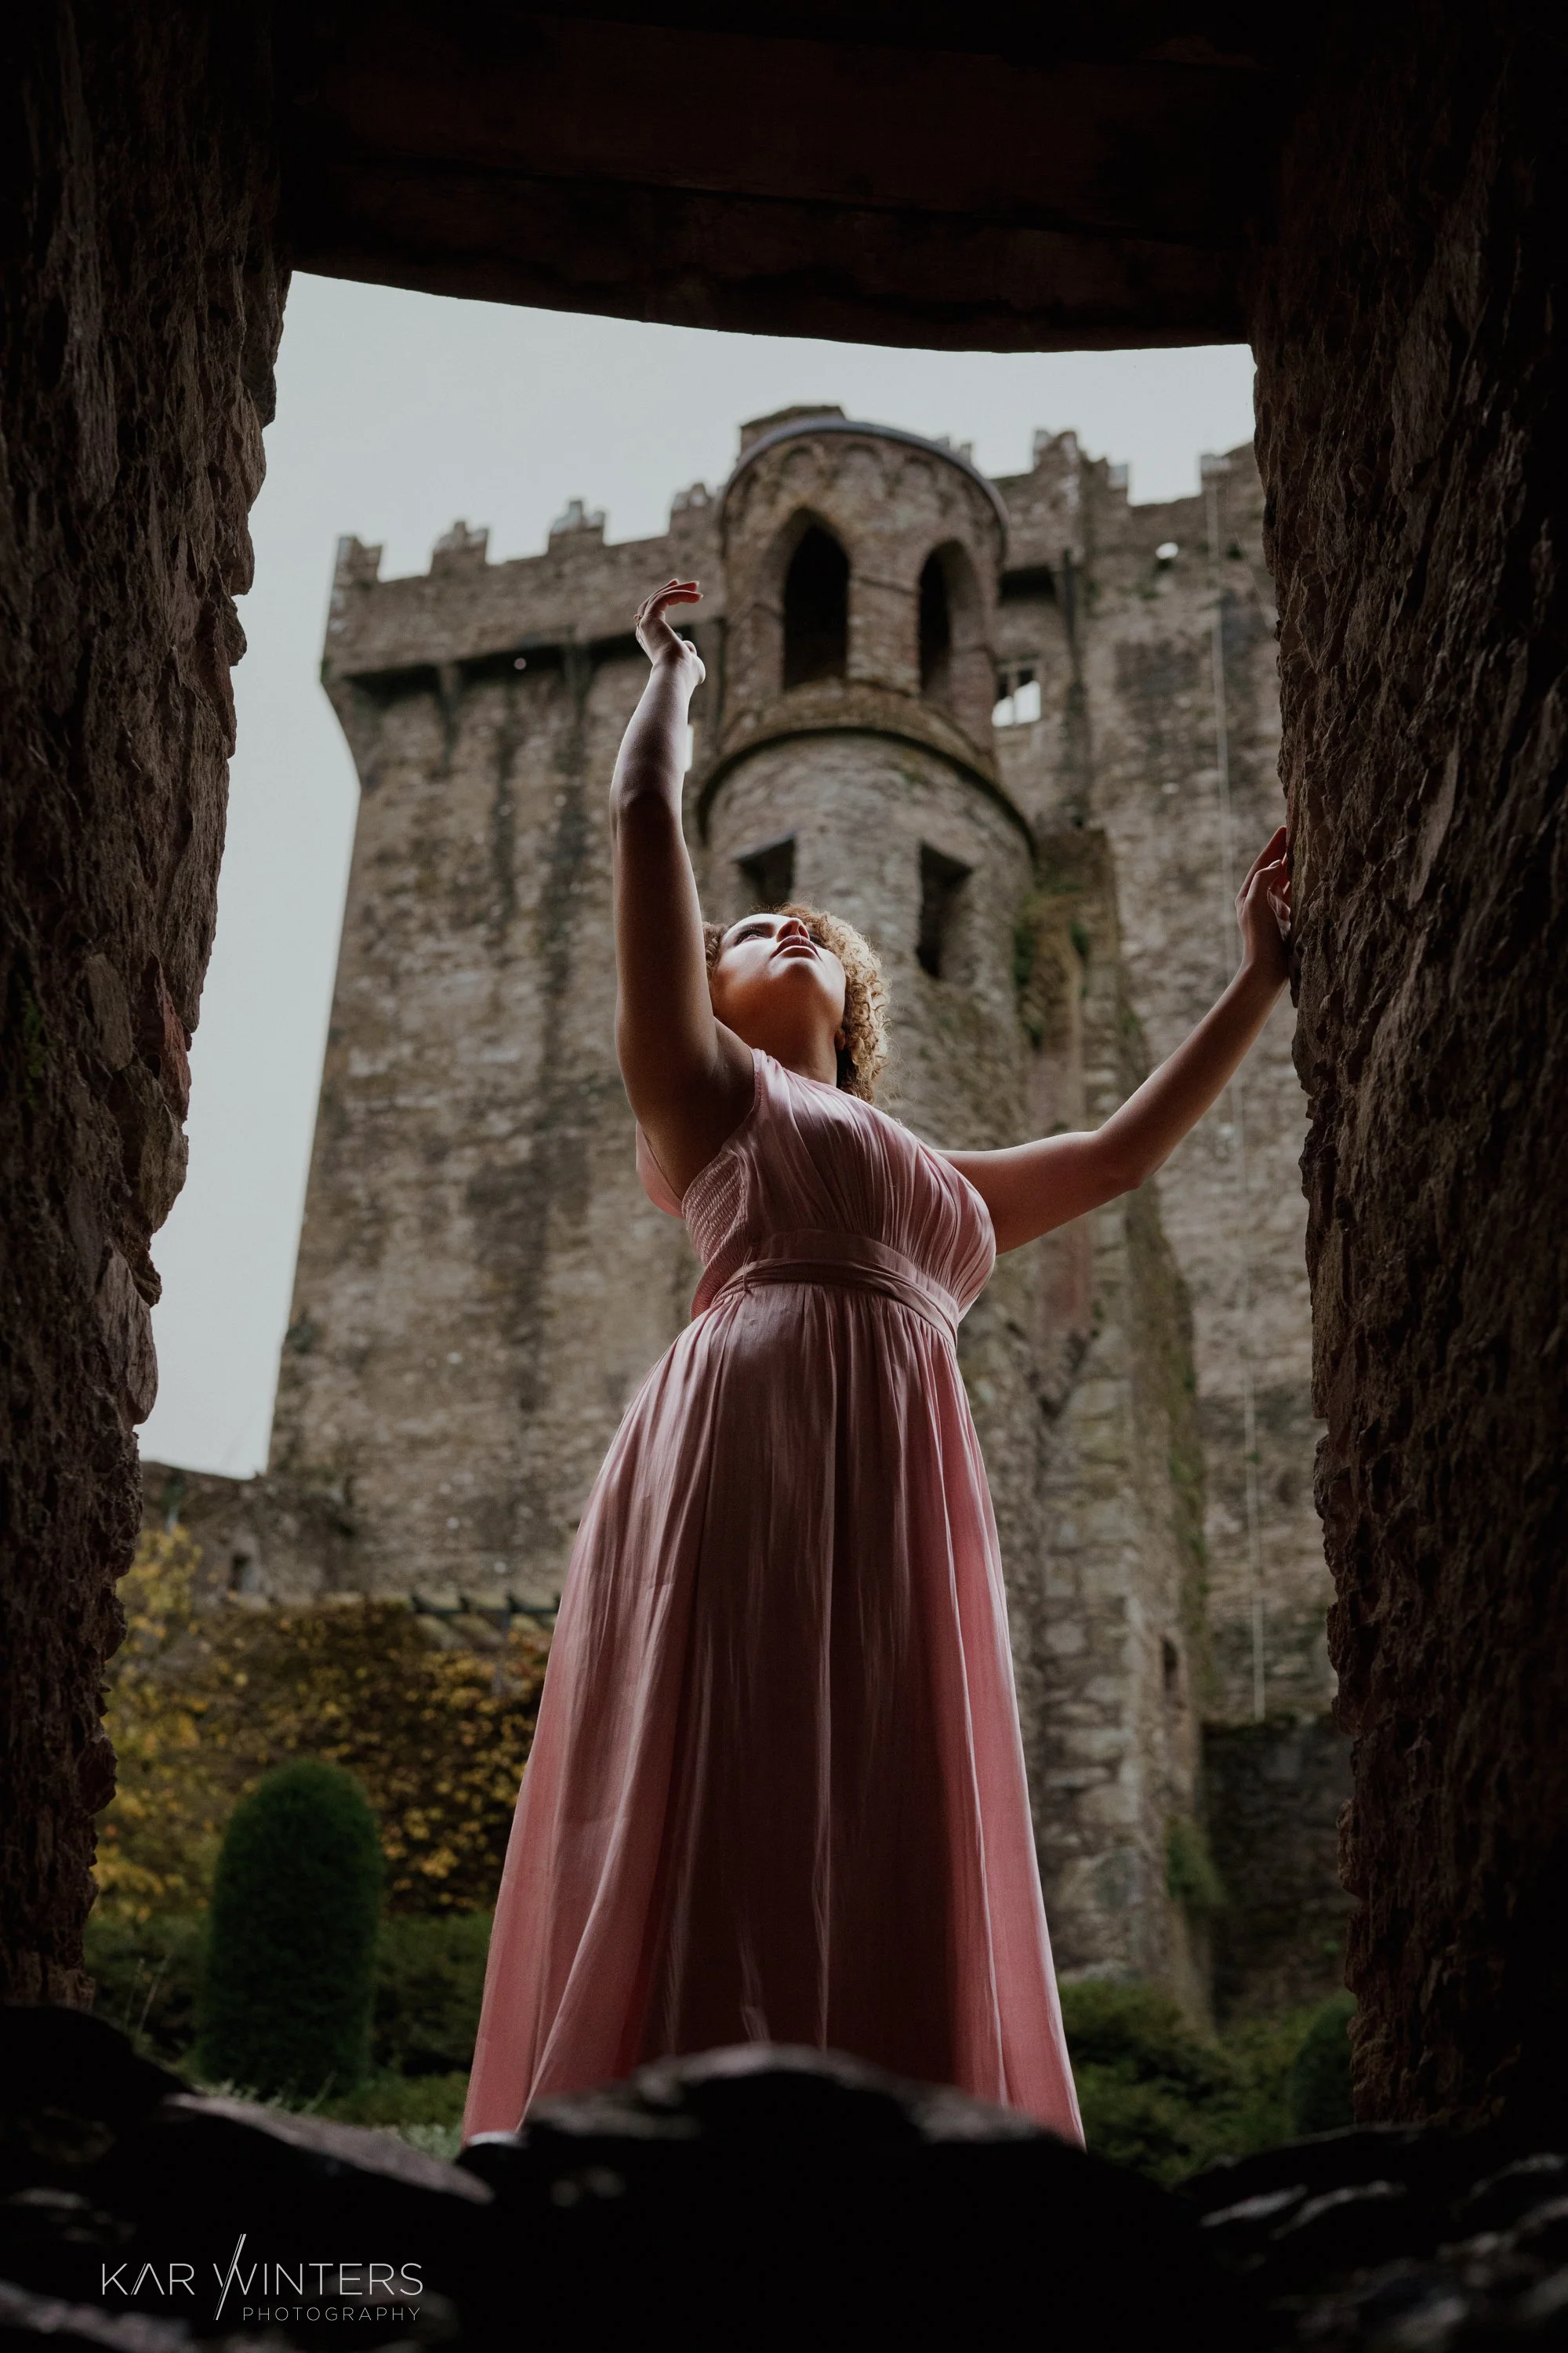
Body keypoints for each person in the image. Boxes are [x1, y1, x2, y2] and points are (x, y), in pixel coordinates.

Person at [463, 579, 1292, 2143]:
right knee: (732, 1761)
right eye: (745, 924)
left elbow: (1116, 1157)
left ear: (861, 1013)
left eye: (811, 934)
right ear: (695, 993)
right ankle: (666, 2136)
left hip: (901, 1471)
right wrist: (672, 678)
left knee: (892, 1786)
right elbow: (647, 819)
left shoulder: (925, 1173)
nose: (777, 924)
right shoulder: (702, 1097)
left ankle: (890, 2149)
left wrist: (1258, 974)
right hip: (752, 1426)